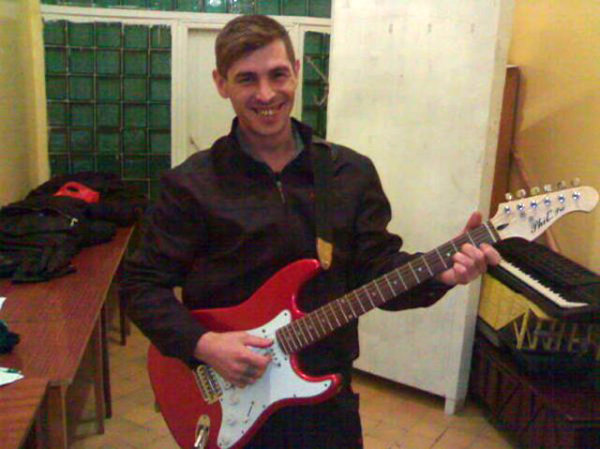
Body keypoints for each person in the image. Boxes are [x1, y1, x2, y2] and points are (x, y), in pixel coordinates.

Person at [121, 14, 500, 449]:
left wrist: (440, 273)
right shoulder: (190, 185)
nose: (267, 94)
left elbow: (375, 271)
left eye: (278, 74)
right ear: (221, 83)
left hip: (326, 400)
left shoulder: (349, 172)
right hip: (228, 391)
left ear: (296, 71)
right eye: (247, 79)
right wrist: (204, 345)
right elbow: (140, 285)